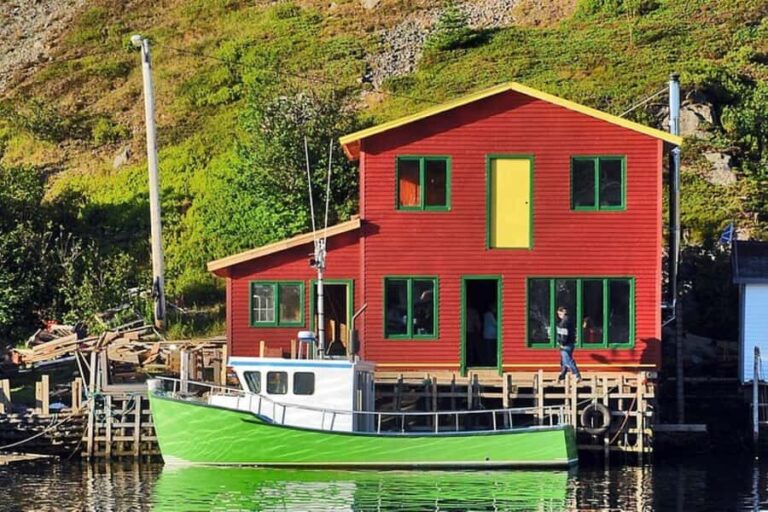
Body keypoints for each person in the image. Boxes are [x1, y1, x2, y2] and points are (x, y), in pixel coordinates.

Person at [556, 306, 581, 382]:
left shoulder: (564, 322)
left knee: (568, 360)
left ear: (563, 313)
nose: (559, 316)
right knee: (564, 361)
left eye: (560, 314)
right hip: (570, 343)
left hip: (566, 344)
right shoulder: (569, 320)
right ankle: (562, 376)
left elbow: (564, 335)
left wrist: (562, 343)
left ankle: (577, 375)